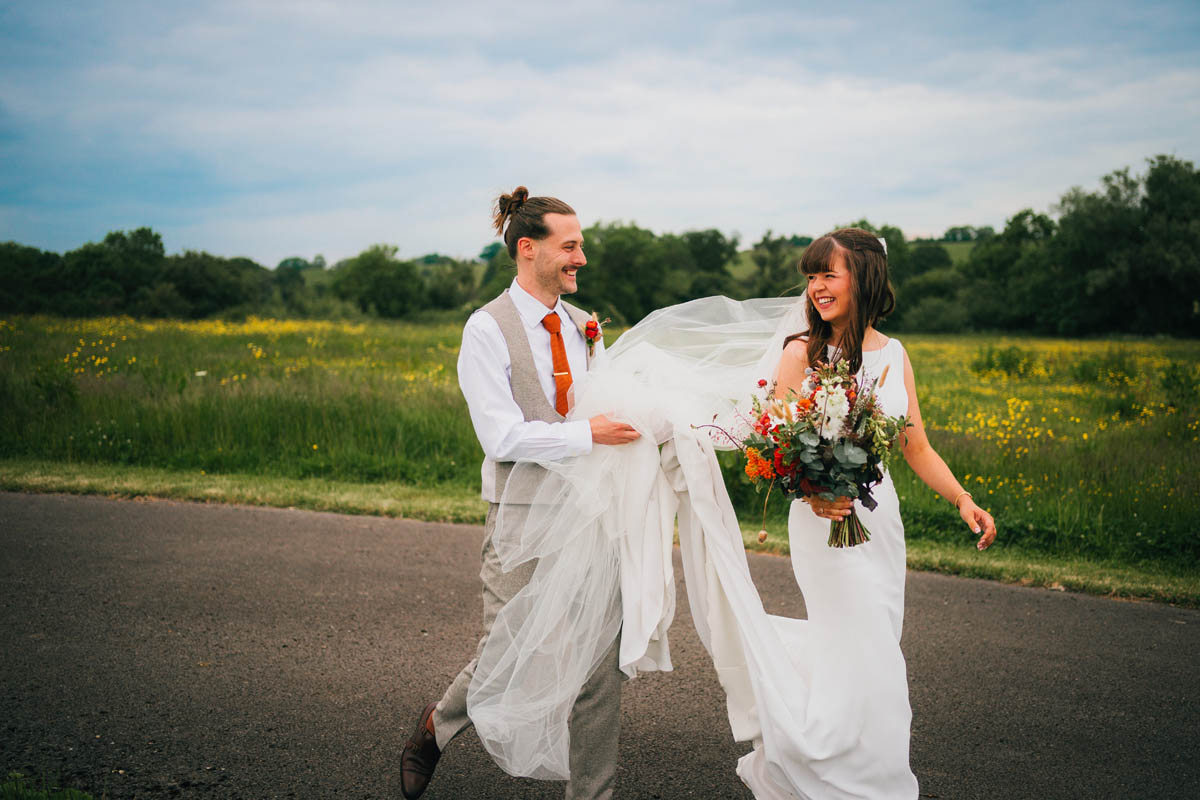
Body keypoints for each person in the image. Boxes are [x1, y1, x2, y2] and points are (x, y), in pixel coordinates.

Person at [730, 227, 997, 798]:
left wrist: (962, 499)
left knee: (875, 640)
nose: (817, 286)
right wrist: (814, 492)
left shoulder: (895, 354)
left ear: (864, 278)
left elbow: (915, 445)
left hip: (878, 520)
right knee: (862, 644)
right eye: (812, 276)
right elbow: (777, 443)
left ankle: (848, 761)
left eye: (830, 273)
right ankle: (866, 781)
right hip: (824, 519)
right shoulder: (801, 351)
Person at [399, 186, 640, 800]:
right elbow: (502, 436)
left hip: (590, 511)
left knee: (596, 667)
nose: (582, 257)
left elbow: (605, 407)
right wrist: (590, 434)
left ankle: (593, 795)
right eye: (571, 246)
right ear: (528, 249)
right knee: (510, 650)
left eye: (581, 245)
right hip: (522, 511)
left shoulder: (585, 326)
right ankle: (438, 726)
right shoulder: (486, 329)